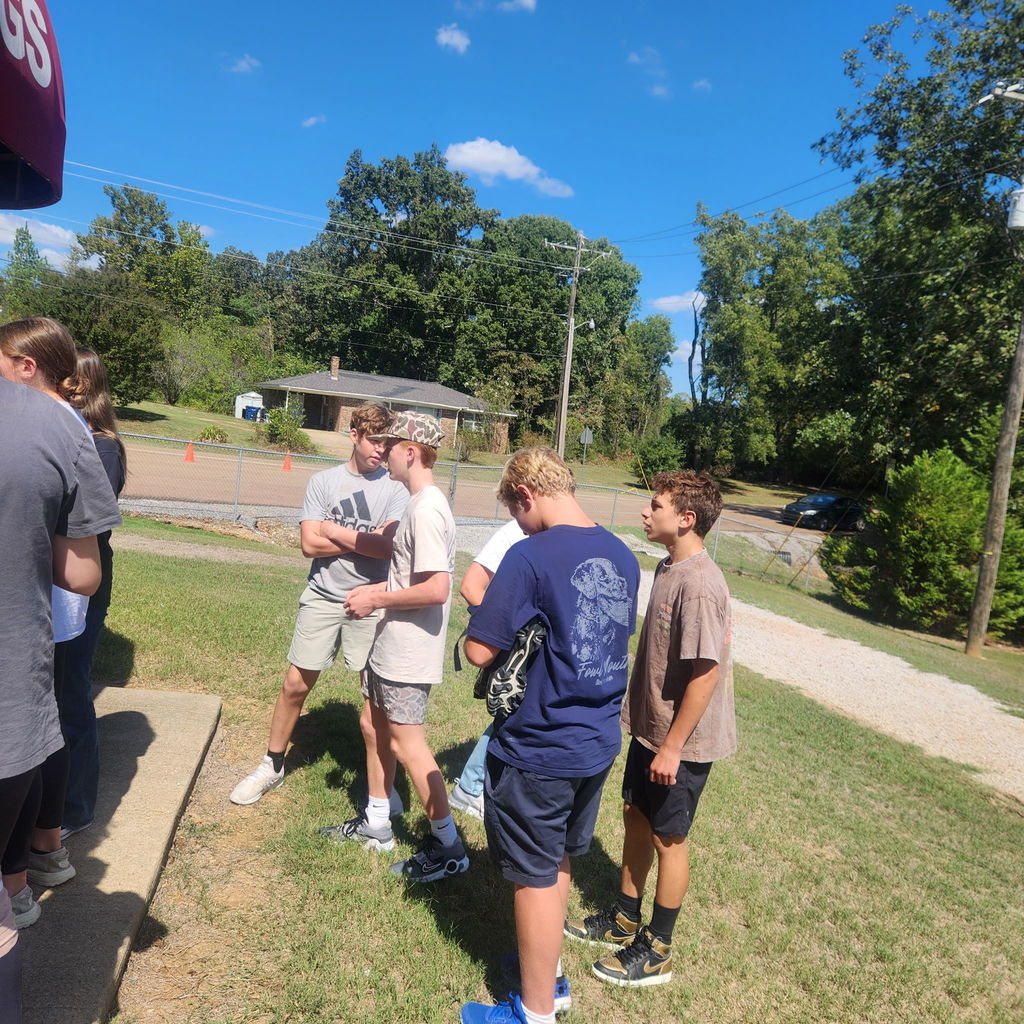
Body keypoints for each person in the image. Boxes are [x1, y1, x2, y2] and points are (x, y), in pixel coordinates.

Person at [460, 447, 640, 1024]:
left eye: (517, 513)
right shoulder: (622, 553)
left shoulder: (528, 555)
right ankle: (549, 977)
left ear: (526, 495)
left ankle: (534, 1014)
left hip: (540, 743)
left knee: (533, 877)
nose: (519, 524)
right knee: (557, 859)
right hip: (596, 739)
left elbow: (479, 649)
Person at [567, 470, 737, 988]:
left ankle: (658, 949)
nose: (645, 511)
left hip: (680, 743)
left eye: (655, 505)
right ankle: (624, 917)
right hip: (652, 731)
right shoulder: (669, 566)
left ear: (686, 519)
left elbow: (706, 674)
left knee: (669, 838)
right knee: (635, 815)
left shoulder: (700, 585)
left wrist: (673, 747)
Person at [0, 336, 121, 1021]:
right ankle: (33, 862)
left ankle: (57, 833)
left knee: (68, 712)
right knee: (55, 717)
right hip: (26, 649)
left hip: (58, 626)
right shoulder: (61, 433)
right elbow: (81, 567)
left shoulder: (92, 440)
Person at [229, 403, 408, 806]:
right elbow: (309, 545)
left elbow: (386, 548)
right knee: (295, 684)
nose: (381, 449)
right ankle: (272, 764)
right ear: (354, 435)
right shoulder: (323, 482)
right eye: (374, 440)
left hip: (372, 601)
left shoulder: (395, 488)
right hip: (323, 596)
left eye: (388, 442)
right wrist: (360, 539)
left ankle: (383, 785)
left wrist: (332, 529)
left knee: (375, 698)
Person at [322, 411, 468, 884]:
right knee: (372, 724)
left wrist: (375, 598)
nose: (381, 451)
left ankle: (448, 845)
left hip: (408, 652)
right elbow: (410, 575)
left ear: (411, 451)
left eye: (390, 445)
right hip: (389, 644)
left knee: (409, 746)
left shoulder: (426, 510)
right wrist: (378, 591)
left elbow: (437, 588)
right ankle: (377, 823)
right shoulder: (416, 504)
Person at [59, 347, 128, 838]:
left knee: (70, 692)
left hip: (81, 587)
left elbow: (86, 523)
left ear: (81, 385)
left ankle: (76, 807)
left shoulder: (101, 447)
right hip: (53, 581)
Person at [449, 518, 528, 821]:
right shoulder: (515, 530)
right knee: (510, 713)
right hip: (519, 645)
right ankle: (471, 787)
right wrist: (510, 632)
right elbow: (471, 586)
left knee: (518, 714)